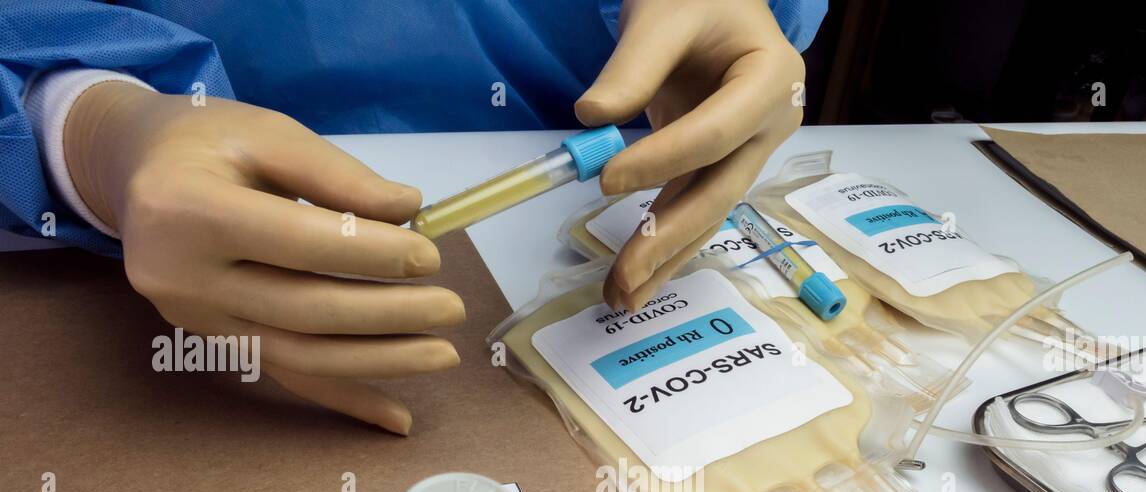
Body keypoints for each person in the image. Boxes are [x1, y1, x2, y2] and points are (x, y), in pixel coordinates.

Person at [2, 0, 826, 432]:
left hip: (573, 223)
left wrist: (739, 26)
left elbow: (760, 34)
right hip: (171, 216)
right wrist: (85, 123)